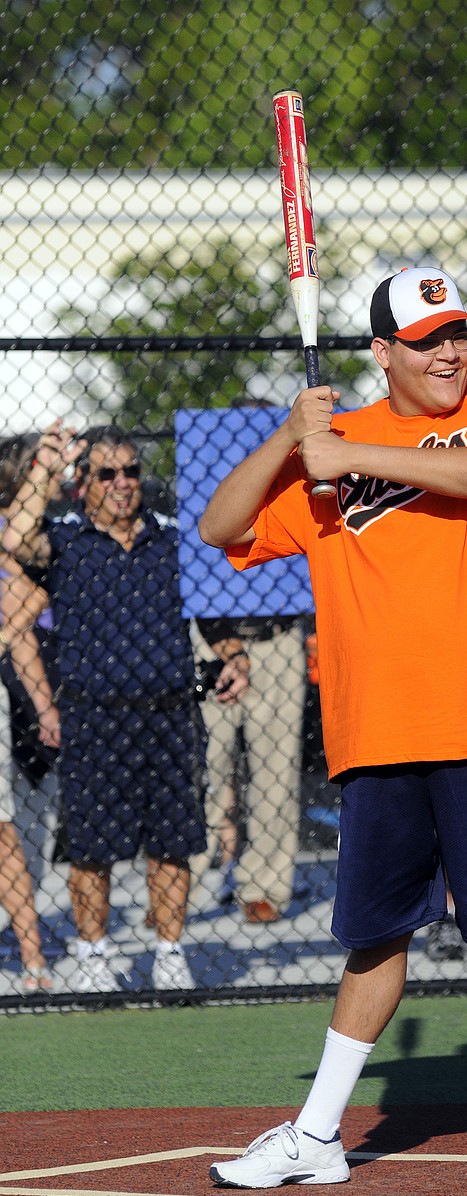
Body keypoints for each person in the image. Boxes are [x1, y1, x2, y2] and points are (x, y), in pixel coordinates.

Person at [200, 266, 467, 1196]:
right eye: (428, 340)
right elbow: (221, 525)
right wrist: (294, 437)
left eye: (458, 333)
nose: (451, 352)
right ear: (383, 352)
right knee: (377, 937)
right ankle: (316, 1135)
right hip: (377, 732)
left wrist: (354, 460)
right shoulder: (333, 446)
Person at [3, 423, 249, 994]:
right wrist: (45, 465)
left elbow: (209, 614)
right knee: (90, 847)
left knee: (173, 842)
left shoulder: (171, 540)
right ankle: (93, 953)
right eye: (107, 473)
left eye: (131, 471)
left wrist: (233, 654)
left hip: (169, 714)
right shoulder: (64, 543)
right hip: (92, 716)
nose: (122, 483)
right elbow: (15, 538)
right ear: (81, 483)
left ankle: (168, 951)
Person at [192, 611, 307, 923]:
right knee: (204, 769)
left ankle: (264, 888)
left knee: (277, 772)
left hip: (278, 636)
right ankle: (178, 885)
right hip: (211, 632)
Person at [0, 435, 60, 994]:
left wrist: (43, 705)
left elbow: (20, 620)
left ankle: (32, 958)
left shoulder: (30, 539)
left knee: (6, 833)